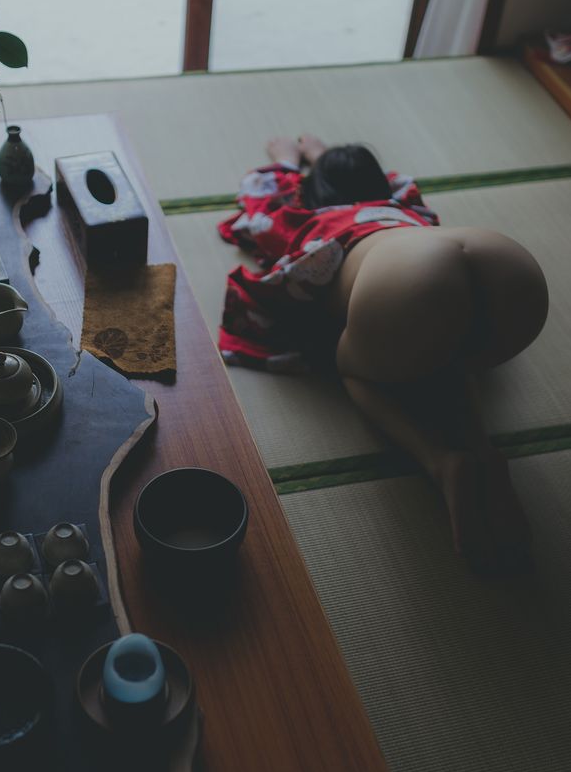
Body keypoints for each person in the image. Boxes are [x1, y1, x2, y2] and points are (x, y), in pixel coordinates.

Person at [218, 136, 549, 574]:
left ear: (310, 194)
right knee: (451, 355)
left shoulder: (310, 218)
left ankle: (441, 461)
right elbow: (396, 180)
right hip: (506, 265)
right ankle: (483, 450)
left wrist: (286, 162)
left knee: (354, 369)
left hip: (408, 272)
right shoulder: (405, 207)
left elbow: (261, 206)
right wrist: (323, 157)